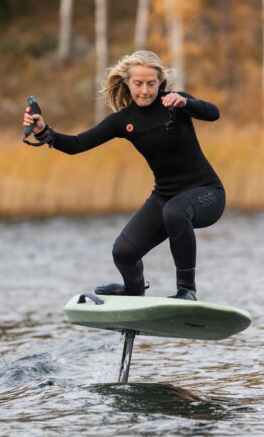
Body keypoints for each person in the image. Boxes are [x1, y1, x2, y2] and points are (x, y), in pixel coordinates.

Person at [23, 50, 225, 301]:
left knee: (175, 211)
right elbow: (76, 144)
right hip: (165, 197)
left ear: (159, 83)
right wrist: (43, 131)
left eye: (151, 84)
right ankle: (133, 291)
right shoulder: (123, 121)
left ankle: (187, 290)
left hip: (208, 194)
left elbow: (213, 112)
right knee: (124, 252)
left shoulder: (175, 103)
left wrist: (187, 103)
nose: (145, 90)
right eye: (138, 84)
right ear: (127, 83)